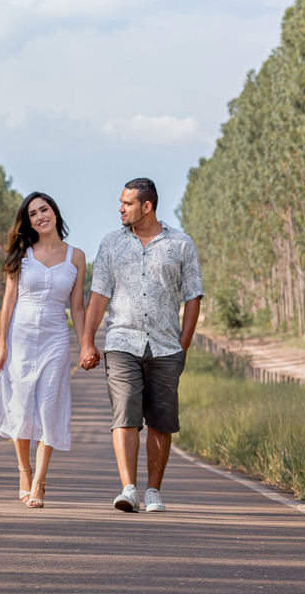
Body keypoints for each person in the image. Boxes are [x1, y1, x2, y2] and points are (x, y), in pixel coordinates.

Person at [79, 177, 203, 513]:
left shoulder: (180, 244)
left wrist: (183, 345)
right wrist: (88, 341)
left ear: (146, 206)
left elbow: (193, 296)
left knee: (161, 422)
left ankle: (153, 492)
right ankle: (129, 489)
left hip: (165, 346)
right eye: (121, 202)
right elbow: (99, 294)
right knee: (125, 414)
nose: (120, 209)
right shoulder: (111, 245)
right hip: (122, 340)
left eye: (127, 203)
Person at [0, 192, 87, 509]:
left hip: (56, 339)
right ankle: (24, 471)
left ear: (55, 213)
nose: (40, 216)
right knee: (21, 407)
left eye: (44, 210)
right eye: (33, 214)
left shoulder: (76, 257)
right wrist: (2, 344)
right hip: (20, 338)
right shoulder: (22, 254)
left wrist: (86, 345)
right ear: (28, 221)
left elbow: (78, 308)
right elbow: (8, 303)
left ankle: (40, 482)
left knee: (48, 408)